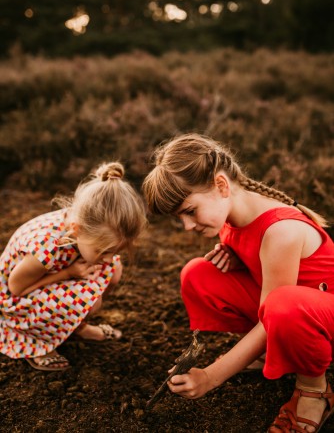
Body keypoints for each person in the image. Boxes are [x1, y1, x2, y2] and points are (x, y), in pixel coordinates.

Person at [142, 133, 334, 433]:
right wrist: (237, 259)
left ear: (221, 185)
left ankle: (314, 388)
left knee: (282, 306)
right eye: (180, 218)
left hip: (321, 320)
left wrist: (211, 376)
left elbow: (274, 313)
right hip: (290, 313)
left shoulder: (281, 231)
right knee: (198, 274)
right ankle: (266, 354)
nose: (188, 226)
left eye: (190, 211)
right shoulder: (231, 216)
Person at [0, 162, 146, 371]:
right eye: (103, 251)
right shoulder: (45, 249)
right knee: (91, 301)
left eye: (115, 251)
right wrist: (68, 273)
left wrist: (89, 265)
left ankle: (77, 326)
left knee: (114, 270)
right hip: (13, 299)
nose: (108, 258)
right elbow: (16, 289)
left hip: (50, 275)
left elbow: (106, 262)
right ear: (76, 230)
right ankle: (37, 343)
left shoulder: (87, 224)